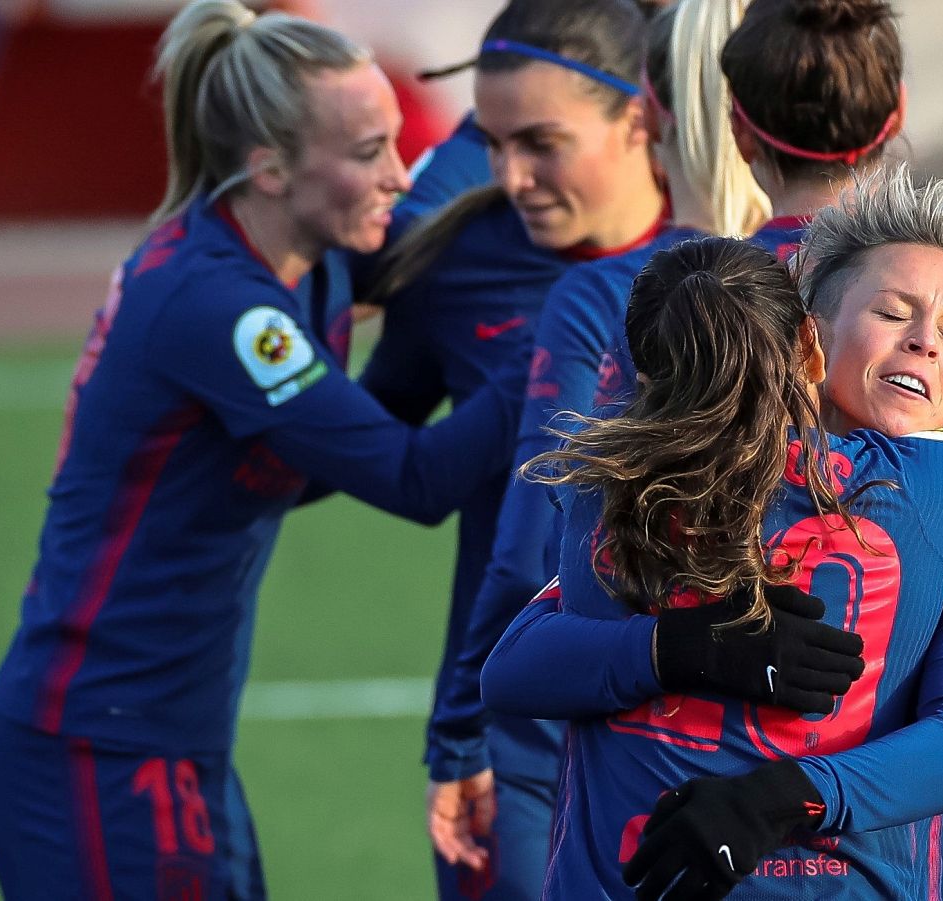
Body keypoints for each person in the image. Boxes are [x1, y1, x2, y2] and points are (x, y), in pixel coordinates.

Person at [0, 3, 525, 898]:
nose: (397, 177)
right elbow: (414, 479)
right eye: (367, 152)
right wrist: (562, 350)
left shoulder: (307, 253)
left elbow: (306, 463)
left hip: (169, 740)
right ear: (268, 168)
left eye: (393, 142)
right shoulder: (221, 310)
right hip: (94, 750)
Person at [489, 181, 943, 897]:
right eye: (892, 313)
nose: (924, 342)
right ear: (812, 335)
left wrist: (678, 653)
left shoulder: (619, 478)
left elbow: (512, 666)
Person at [342, 3, 672, 898]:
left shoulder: (730, 252)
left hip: (699, 720)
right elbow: (368, 438)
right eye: (491, 143)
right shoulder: (460, 260)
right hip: (512, 740)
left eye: (542, 142)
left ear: (640, 116)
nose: (513, 176)